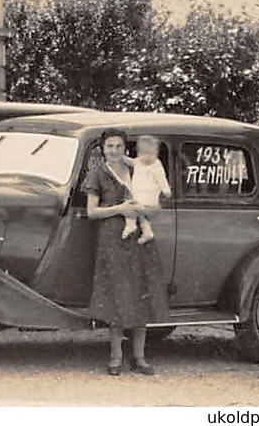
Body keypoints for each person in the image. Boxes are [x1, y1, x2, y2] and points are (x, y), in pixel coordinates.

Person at [81, 129, 170, 376]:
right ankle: (116, 357)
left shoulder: (136, 169)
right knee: (117, 297)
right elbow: (92, 212)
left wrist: (147, 210)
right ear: (102, 149)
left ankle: (140, 357)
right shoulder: (98, 173)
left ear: (125, 148)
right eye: (110, 146)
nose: (115, 151)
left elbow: (155, 199)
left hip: (139, 240)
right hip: (113, 240)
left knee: (140, 294)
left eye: (119, 146)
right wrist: (120, 208)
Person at [122, 134, 170, 244]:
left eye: (152, 154)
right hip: (139, 196)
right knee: (141, 215)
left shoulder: (156, 166)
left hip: (149, 198)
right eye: (145, 154)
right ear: (139, 154)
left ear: (156, 154)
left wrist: (166, 190)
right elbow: (130, 162)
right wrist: (122, 157)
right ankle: (147, 232)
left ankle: (130, 225)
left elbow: (162, 179)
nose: (148, 157)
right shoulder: (138, 162)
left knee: (129, 207)